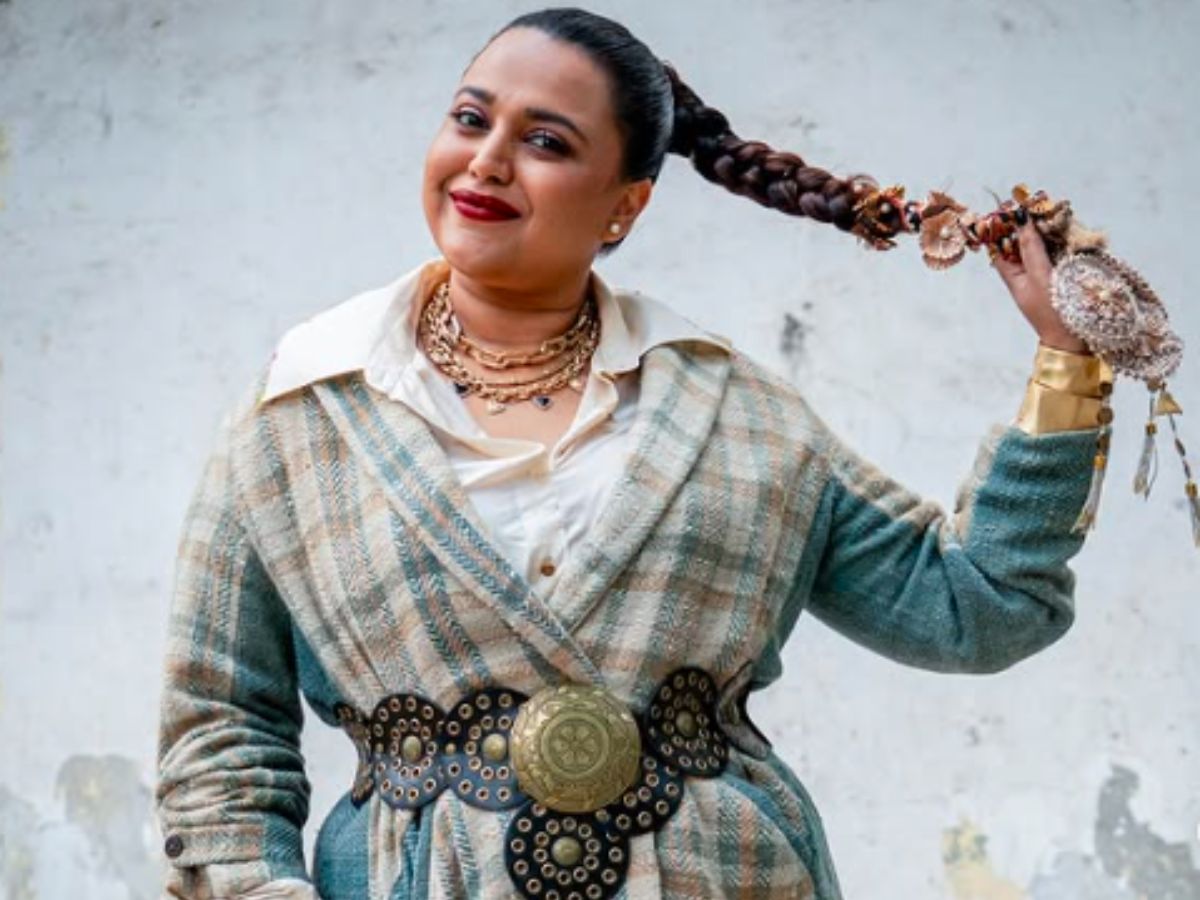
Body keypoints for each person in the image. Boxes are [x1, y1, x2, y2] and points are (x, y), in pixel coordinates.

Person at [154, 7, 1108, 899]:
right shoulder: (299, 413)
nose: (486, 161)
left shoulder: (736, 415)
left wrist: (1066, 364)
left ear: (625, 205)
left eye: (545, 142)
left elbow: (974, 610)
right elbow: (220, 727)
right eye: (470, 119)